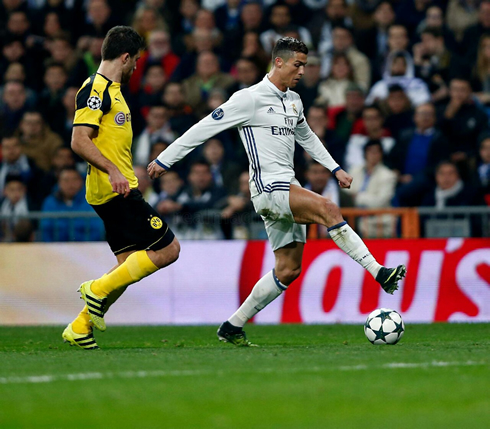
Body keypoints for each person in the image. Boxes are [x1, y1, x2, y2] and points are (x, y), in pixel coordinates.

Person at [148, 37, 406, 346]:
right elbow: (203, 128)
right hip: (268, 188)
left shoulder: (294, 100)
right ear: (279, 62)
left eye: (305, 66)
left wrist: (335, 168)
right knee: (328, 209)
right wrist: (165, 159)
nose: (301, 71)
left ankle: (232, 326)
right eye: (297, 65)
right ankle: (379, 272)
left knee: (288, 269)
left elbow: (307, 137)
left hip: (287, 187)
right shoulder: (249, 98)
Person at [62, 26, 180, 350]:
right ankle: (96, 289)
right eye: (136, 61)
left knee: (128, 266)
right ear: (125, 57)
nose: (136, 67)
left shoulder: (111, 90)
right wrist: (113, 170)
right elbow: (78, 140)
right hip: (115, 188)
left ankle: (80, 326)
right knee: (169, 249)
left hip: (113, 186)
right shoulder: (95, 90)